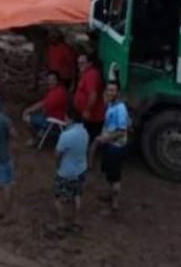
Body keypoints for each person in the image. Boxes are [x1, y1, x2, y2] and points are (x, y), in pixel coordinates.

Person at [90, 81, 129, 213]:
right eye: (108, 90)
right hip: (108, 145)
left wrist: (105, 138)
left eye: (113, 90)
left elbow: (121, 130)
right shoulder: (111, 105)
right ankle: (108, 195)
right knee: (108, 173)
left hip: (115, 147)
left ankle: (115, 204)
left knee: (115, 176)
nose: (110, 92)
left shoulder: (121, 109)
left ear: (117, 92)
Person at [53, 104, 89, 234]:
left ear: (71, 119)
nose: (65, 120)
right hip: (81, 169)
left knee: (58, 198)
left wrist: (57, 166)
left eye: (66, 118)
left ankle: (61, 223)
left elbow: (57, 154)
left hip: (66, 172)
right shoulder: (85, 132)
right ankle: (76, 222)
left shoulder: (66, 135)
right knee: (77, 196)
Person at [22, 70, 69, 146]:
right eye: (49, 79)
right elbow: (44, 103)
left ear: (57, 81)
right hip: (51, 117)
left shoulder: (58, 92)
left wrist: (28, 110)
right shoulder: (56, 90)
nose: (51, 82)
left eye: (53, 80)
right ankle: (40, 134)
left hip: (54, 121)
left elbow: (43, 104)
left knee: (27, 118)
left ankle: (36, 139)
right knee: (34, 115)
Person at [73, 52, 105, 142]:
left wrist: (87, 110)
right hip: (88, 115)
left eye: (82, 63)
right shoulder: (86, 74)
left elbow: (93, 94)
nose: (79, 65)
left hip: (93, 116)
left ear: (90, 63)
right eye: (78, 63)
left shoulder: (91, 74)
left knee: (89, 140)